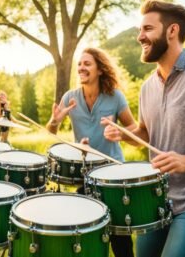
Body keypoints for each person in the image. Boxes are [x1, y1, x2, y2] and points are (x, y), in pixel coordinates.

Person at [103, 0, 185, 257]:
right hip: (155, 199)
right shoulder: (147, 87)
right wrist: (127, 135)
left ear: (172, 31)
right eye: (140, 30)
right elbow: (146, 134)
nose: (140, 36)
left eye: (147, 29)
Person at [46, 47, 137, 257]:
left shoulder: (115, 97)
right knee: (85, 234)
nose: (81, 67)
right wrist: (55, 121)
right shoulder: (70, 97)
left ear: (100, 70)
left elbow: (134, 130)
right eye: (79, 64)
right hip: (85, 175)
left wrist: (120, 132)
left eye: (87, 63)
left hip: (113, 176)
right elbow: (51, 131)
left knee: (119, 236)